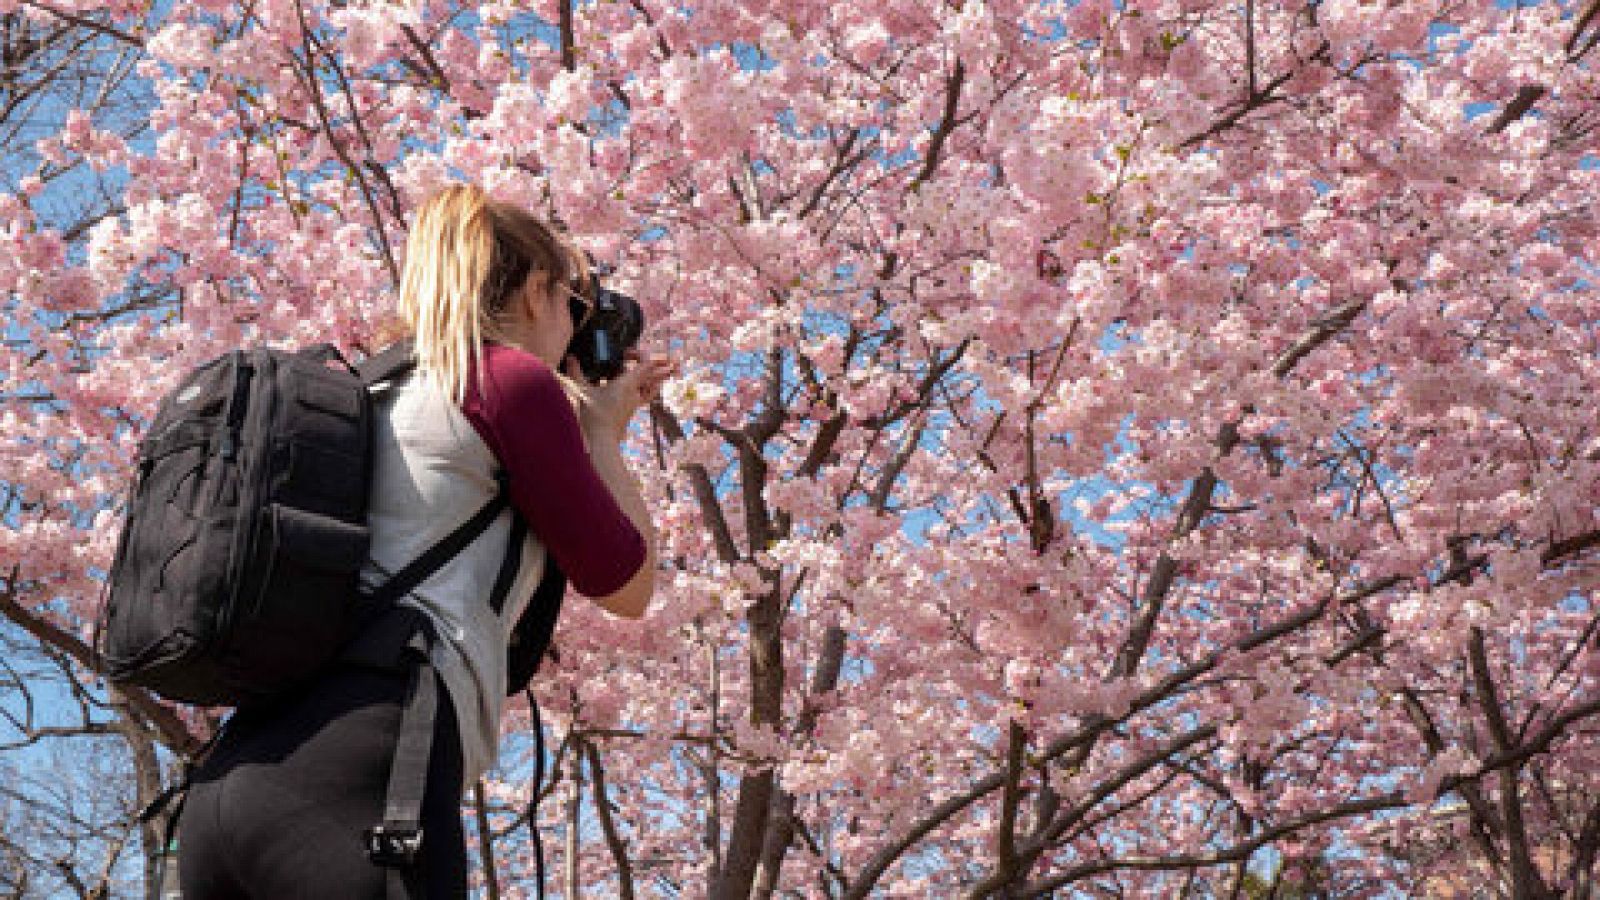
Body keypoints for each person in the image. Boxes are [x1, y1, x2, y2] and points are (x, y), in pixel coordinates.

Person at [176, 183, 671, 898]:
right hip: (365, 773)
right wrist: (599, 431)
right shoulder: (508, 380)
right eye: (572, 304)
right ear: (535, 291)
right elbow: (629, 585)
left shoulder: (369, 393)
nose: (573, 327)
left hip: (231, 782)